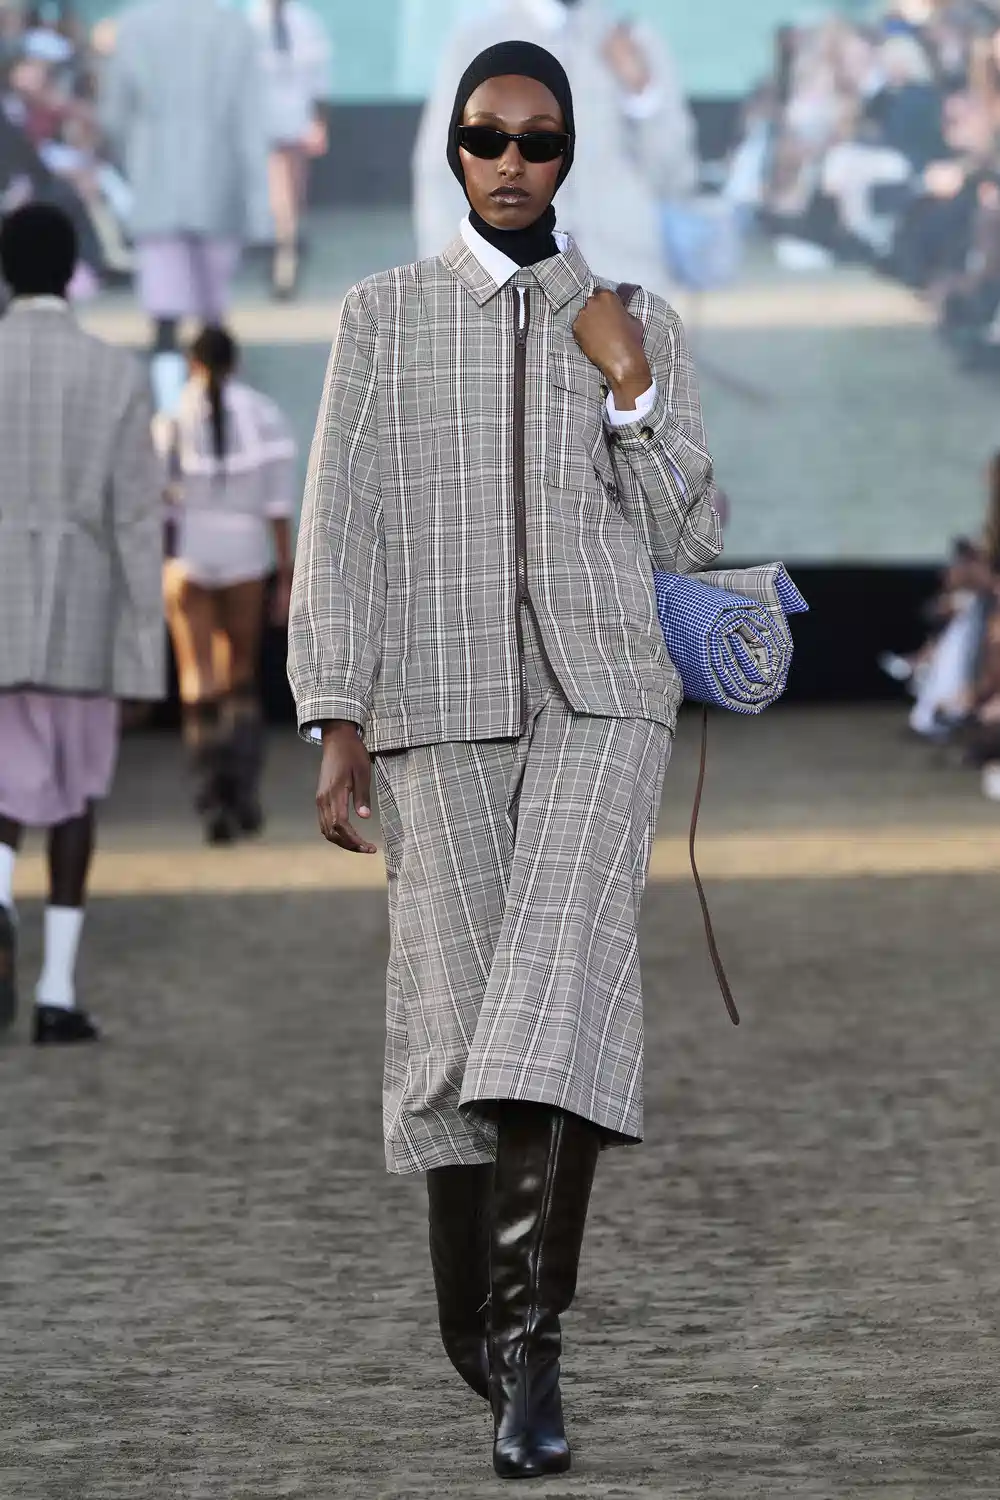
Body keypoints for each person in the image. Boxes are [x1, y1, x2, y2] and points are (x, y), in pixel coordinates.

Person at [288, 40, 748, 1480]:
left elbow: (691, 537)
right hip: (434, 706)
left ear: (567, 157)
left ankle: (533, 1348)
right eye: (486, 136)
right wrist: (337, 716)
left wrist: (631, 392)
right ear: (453, 147)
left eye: (538, 140)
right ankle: (480, 1341)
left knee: (555, 1003)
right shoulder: (380, 316)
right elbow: (341, 525)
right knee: (456, 1039)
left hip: (604, 702)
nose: (510, 161)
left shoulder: (636, 319)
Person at [0, 202, 164, 1043]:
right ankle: (57, 991)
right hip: (83, 610)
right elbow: (137, 522)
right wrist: (144, 657)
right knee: (73, 801)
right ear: (72, 272)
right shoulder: (113, 373)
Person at [412, 0, 697, 294]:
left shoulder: (631, 40)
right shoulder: (479, 42)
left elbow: (676, 176)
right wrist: (446, 286)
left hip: (624, 277)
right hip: (514, 283)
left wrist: (642, 94)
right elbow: (442, 175)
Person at [98, 0, 271, 415]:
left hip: (155, 176)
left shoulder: (133, 27)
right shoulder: (235, 32)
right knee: (213, 304)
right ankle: (217, 405)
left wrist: (130, 155)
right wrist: (260, 207)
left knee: (164, 304)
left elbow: (114, 114)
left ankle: (168, 404)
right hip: (218, 177)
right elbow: (251, 120)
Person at [160, 326, 295, 845]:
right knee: (239, 676)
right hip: (244, 553)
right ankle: (242, 794)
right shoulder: (263, 414)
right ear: (235, 362)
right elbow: (278, 506)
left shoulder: (171, 417)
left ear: (192, 363)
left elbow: (155, 500)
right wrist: (285, 574)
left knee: (197, 679)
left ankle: (209, 798)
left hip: (188, 554)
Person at [248, 0, 331, 300]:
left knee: (292, 194)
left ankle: (286, 252)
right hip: (261, 122)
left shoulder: (305, 22)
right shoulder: (250, 24)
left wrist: (319, 121)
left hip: (297, 120)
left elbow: (319, 76)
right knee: (278, 193)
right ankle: (284, 257)